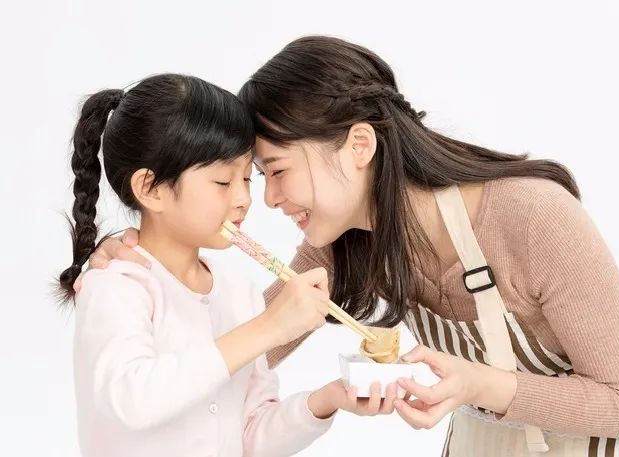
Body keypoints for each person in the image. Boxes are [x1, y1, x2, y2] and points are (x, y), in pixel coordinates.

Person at [84, 38, 619, 456]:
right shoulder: (339, 240)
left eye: (276, 171)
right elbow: (242, 350)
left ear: (359, 146)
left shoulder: (534, 217)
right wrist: (147, 254)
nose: (267, 199)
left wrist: (476, 385)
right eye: (251, 177)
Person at [60, 73, 396, 457]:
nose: (243, 199)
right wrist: (267, 328)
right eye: (223, 182)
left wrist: (327, 399)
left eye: (247, 179)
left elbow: (250, 435)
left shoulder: (239, 292)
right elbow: (132, 399)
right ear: (151, 189)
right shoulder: (115, 285)